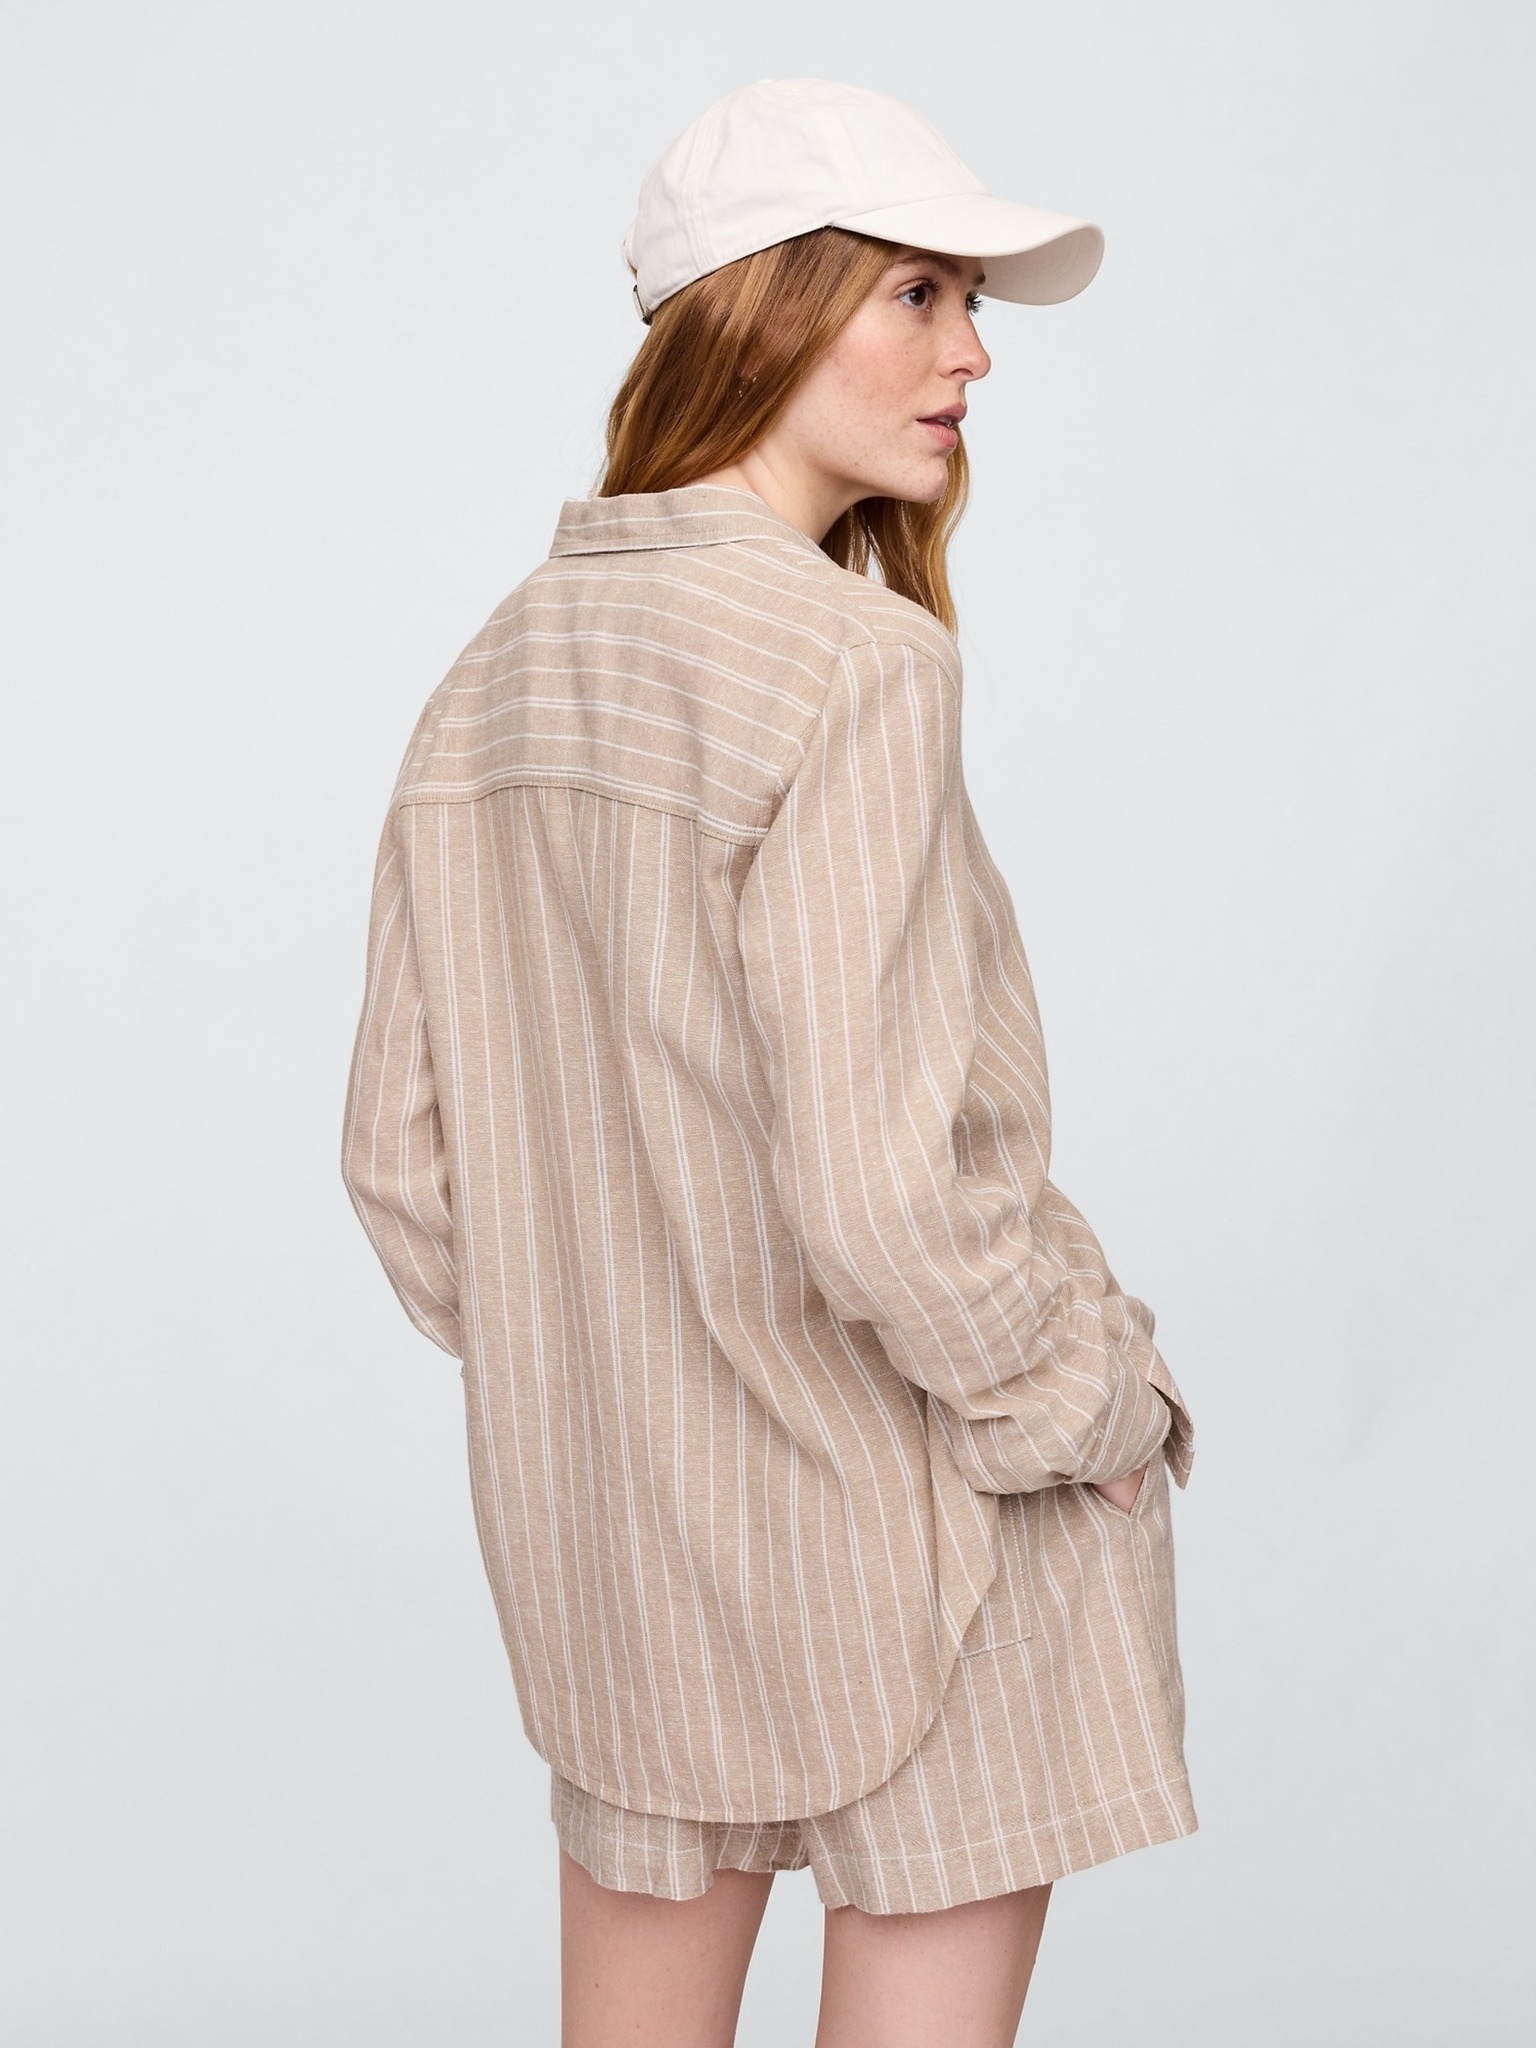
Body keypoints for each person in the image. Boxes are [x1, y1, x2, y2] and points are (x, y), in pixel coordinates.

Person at [341, 77, 1196, 2048]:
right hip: (923, 1538)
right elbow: (890, 1199)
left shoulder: (491, 676)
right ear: (766, 304)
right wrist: (1092, 1403)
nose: (974, 354)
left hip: (630, 1555)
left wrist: (622, 1355)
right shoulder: (854, 663)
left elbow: (399, 1163)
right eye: (917, 293)